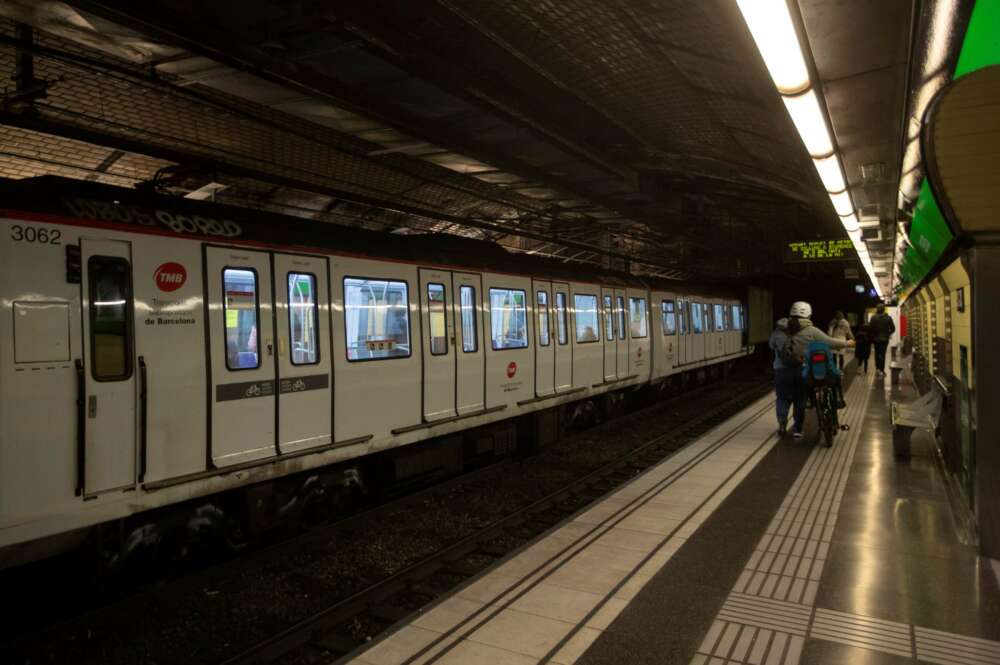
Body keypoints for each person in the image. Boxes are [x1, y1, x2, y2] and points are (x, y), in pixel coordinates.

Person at [786, 301, 854, 439]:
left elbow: (787, 350)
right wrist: (847, 343)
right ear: (808, 315)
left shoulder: (789, 331)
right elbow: (829, 342)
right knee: (831, 383)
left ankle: (798, 430)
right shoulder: (812, 331)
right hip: (815, 372)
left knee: (800, 401)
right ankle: (833, 412)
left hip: (798, 372)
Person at [769, 317, 796, 437]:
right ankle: (798, 425)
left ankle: (782, 422)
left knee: (781, 397)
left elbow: (771, 346)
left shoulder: (775, 335)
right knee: (798, 397)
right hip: (796, 369)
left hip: (779, 370)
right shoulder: (796, 335)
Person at [869, 303, 896, 377]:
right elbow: (893, 329)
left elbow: (870, 328)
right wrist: (888, 334)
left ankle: (877, 369)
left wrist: (873, 336)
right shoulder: (888, 318)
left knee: (877, 354)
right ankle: (881, 370)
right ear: (884, 309)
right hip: (884, 339)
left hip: (876, 339)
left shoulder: (873, 317)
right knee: (882, 354)